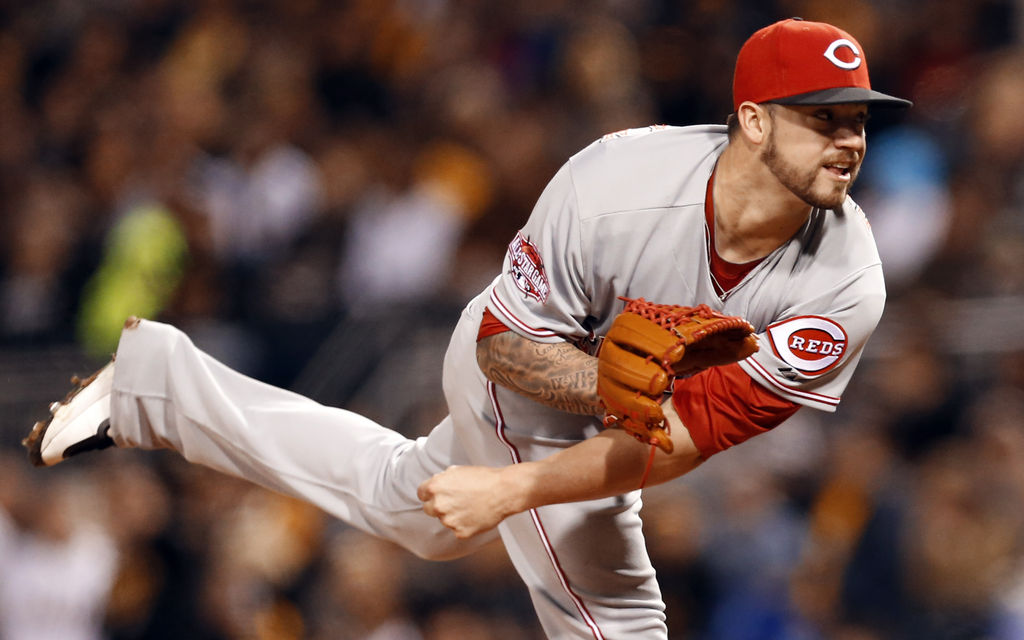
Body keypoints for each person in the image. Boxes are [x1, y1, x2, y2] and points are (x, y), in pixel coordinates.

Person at [25, 18, 910, 639]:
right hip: (515, 366)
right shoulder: (616, 184)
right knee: (617, 618)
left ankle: (154, 386)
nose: (850, 140)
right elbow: (501, 345)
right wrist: (592, 394)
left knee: (405, 504)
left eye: (859, 119)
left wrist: (514, 488)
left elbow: (676, 440)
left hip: (625, 422)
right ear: (752, 120)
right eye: (823, 117)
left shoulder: (846, 284)